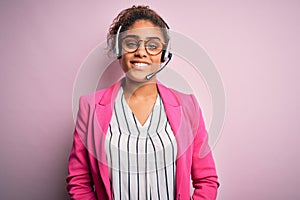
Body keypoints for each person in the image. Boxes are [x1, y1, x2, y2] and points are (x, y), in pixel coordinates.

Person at [66, 5, 219, 200]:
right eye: (131, 43)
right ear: (119, 50)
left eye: (153, 46)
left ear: (164, 55)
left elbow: (207, 180)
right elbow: (79, 180)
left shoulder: (189, 106)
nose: (141, 52)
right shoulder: (90, 107)